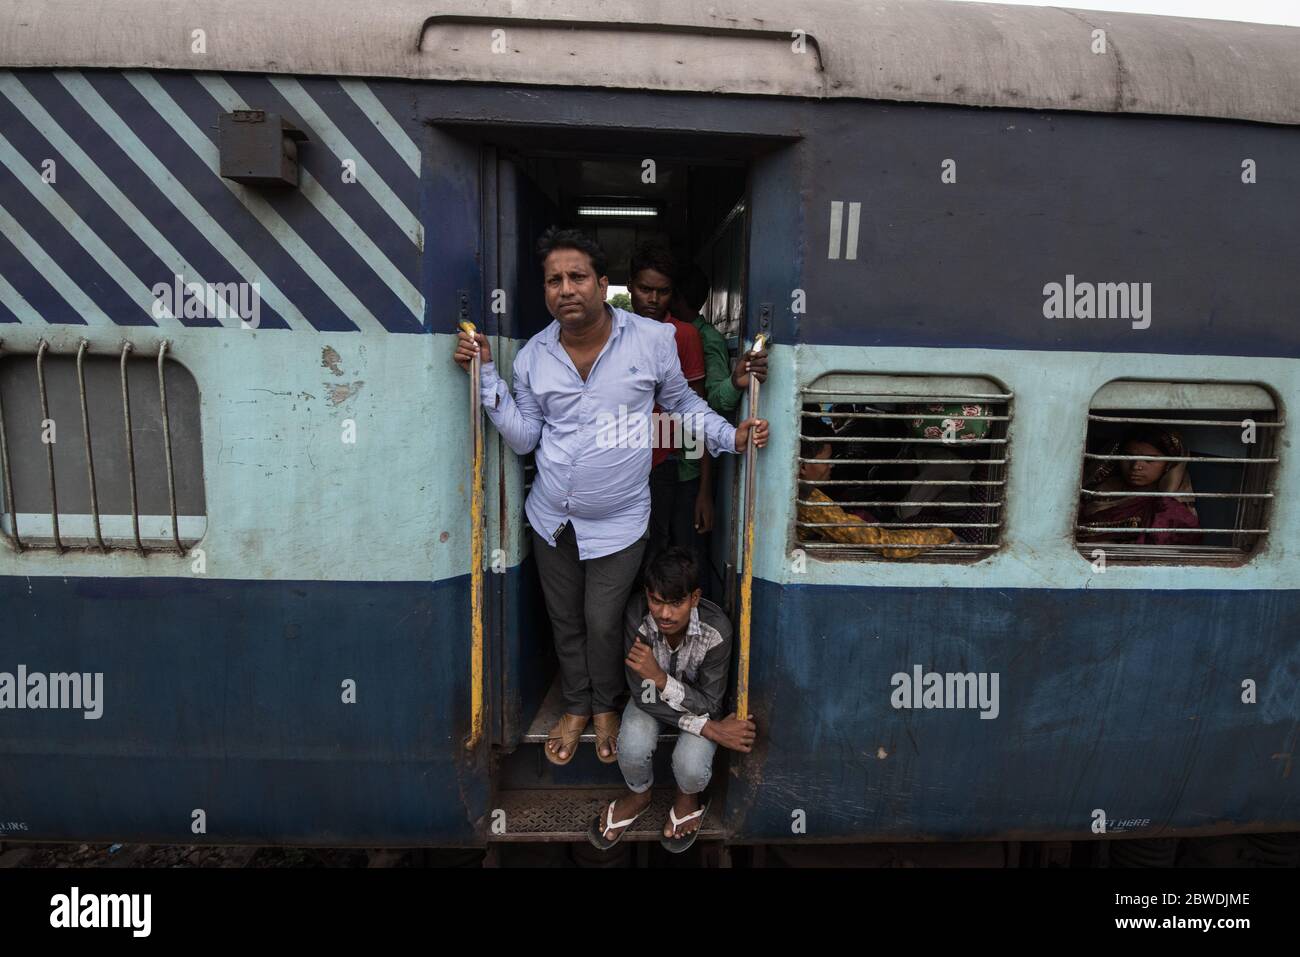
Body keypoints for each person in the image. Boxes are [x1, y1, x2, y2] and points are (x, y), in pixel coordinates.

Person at [454, 227, 769, 766]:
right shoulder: (533, 357)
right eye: (554, 280)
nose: (565, 289)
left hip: (621, 522)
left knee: (602, 620)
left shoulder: (652, 341)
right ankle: (578, 706)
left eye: (577, 277)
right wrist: (485, 378)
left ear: (604, 284)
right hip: (553, 519)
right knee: (565, 620)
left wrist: (729, 436)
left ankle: (605, 706)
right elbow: (526, 436)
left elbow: (682, 407)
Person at [588, 547, 756, 853]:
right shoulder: (638, 618)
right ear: (647, 596)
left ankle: (687, 796)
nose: (664, 614)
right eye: (656, 601)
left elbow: (710, 705)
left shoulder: (716, 631)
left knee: (691, 766)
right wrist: (710, 729)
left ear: (694, 598)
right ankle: (640, 796)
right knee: (633, 747)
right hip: (655, 700)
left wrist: (662, 678)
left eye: (676, 603)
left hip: (691, 702)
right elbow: (643, 694)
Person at [627, 244, 709, 561]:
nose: (653, 299)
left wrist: (703, 489)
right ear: (630, 285)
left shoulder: (684, 335)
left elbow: (697, 415)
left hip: (663, 461)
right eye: (645, 289)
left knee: (655, 548)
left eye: (662, 291)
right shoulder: (609, 331)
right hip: (614, 457)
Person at [796, 405, 956, 559]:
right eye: (826, 460)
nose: (832, 465)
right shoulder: (808, 500)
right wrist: (943, 535)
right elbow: (884, 543)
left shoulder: (801, 492)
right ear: (803, 465)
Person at [1078, 426, 1201, 545]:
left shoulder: (1171, 506)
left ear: (1169, 464)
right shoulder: (1101, 489)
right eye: (1128, 457)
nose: (1136, 466)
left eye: (1149, 460)